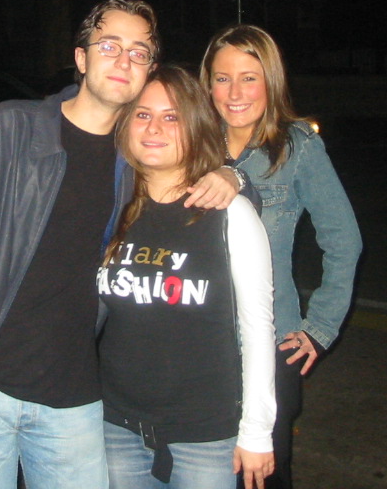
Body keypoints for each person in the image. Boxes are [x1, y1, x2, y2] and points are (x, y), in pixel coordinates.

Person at [0, 0, 242, 489]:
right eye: (109, 46)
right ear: (81, 58)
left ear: (150, 70)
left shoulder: (135, 161)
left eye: (139, 52)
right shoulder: (10, 130)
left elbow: (198, 165)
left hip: (75, 402)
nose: (124, 60)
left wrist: (233, 175)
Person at [201, 25, 362, 489]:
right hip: (198, 347)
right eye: (222, 78)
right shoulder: (190, 143)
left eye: (249, 78)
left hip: (271, 344)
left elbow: (344, 240)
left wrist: (320, 328)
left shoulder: (297, 147)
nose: (235, 93)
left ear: (271, 81)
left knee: (261, 476)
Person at [99, 66, 276, 489]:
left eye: (172, 117)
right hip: (115, 425)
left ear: (195, 127)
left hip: (205, 434)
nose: (154, 128)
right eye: (143, 115)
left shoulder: (230, 214)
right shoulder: (110, 210)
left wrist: (257, 431)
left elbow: (257, 328)